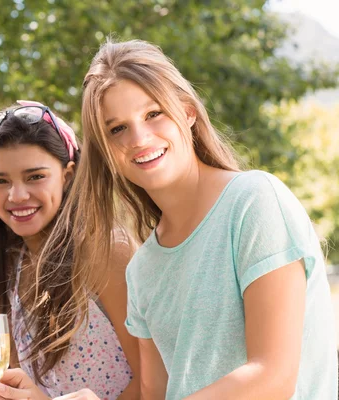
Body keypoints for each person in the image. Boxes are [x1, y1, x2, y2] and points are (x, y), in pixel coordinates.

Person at [52, 39, 338, 399]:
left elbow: (272, 378)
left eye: (153, 114)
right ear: (106, 150)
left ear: (187, 112)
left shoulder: (255, 202)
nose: (139, 138)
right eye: (117, 129)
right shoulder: (142, 269)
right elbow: (154, 393)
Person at [0, 100, 141, 399]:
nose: (17, 195)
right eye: (0, 181)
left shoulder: (105, 250)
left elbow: (155, 379)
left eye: (35, 177)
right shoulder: (11, 266)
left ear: (67, 176)